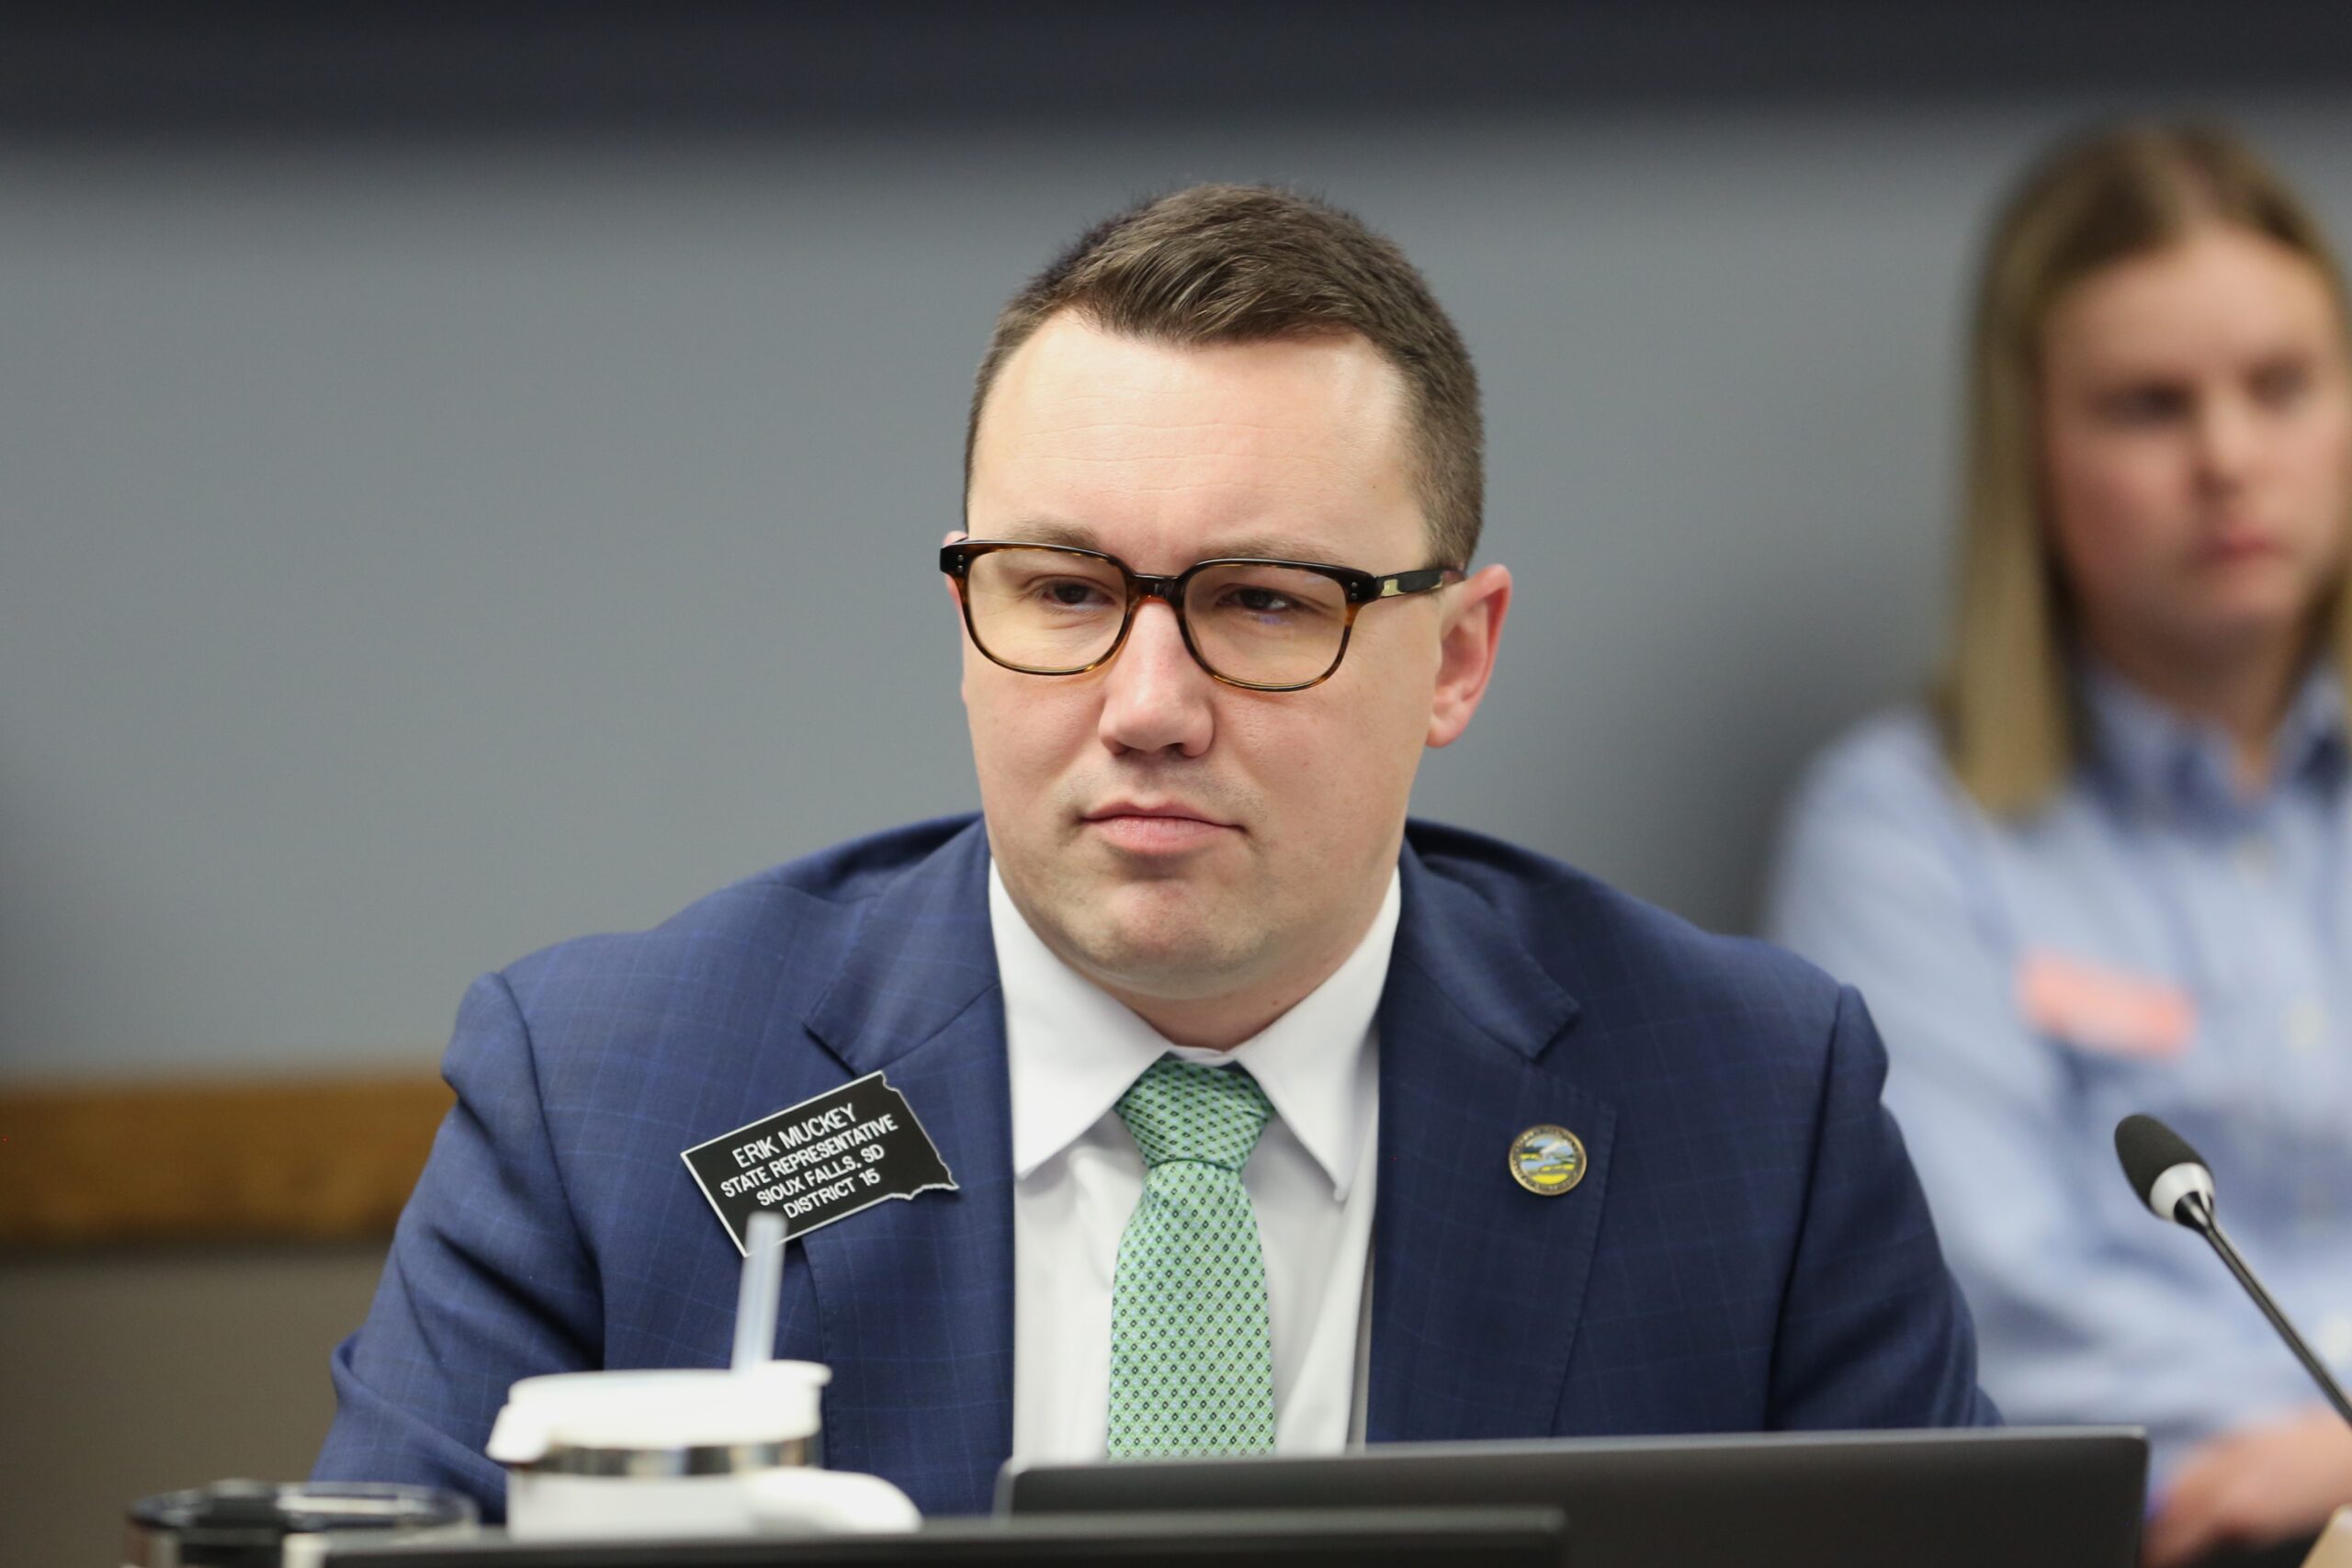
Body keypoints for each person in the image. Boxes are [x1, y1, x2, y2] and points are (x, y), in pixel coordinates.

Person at [318, 184, 1994, 1520]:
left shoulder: (1747, 1108)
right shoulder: (617, 1096)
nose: (1147, 705)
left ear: (1459, 658)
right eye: (1063, 593)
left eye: (1263, 603)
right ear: (967, 618)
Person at [1767, 122, 2352, 1567]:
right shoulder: (1905, 835)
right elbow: (1986, 1303)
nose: (2229, 458)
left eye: (2281, 388)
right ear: (2033, 449)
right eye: (2151, 406)